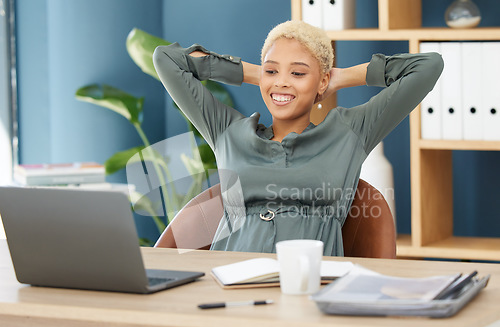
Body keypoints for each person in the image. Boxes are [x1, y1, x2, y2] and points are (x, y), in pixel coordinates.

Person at [153, 20, 443, 257]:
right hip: (229, 286)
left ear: (322, 81)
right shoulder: (227, 131)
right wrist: (256, 73)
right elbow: (165, 60)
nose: (282, 81)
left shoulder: (348, 133)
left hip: (308, 290)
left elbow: (428, 66)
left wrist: (339, 77)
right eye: (272, 71)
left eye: (298, 73)